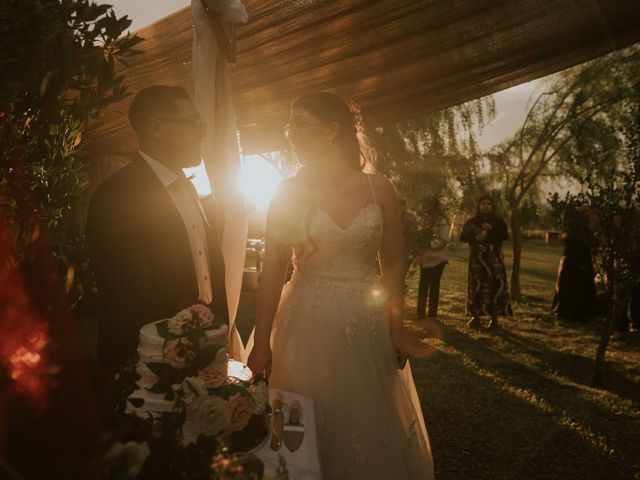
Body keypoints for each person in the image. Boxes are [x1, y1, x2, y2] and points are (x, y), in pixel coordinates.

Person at [247, 92, 434, 479]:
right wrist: (261, 341)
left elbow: (394, 263)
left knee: (365, 419)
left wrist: (397, 328)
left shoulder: (378, 188)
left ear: (331, 130)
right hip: (302, 324)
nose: (290, 133)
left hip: (365, 326)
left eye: (300, 123)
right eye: (289, 124)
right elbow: (273, 268)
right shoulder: (287, 192)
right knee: (296, 426)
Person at [86, 85, 228, 372]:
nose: (202, 132)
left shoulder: (189, 190)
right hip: (152, 363)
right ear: (156, 129)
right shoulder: (117, 194)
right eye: (193, 124)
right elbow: (122, 292)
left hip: (205, 348)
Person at [460, 196, 512, 329]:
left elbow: (505, 236)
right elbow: (462, 237)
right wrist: (475, 237)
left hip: (494, 260)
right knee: (476, 286)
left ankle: (494, 320)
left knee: (496, 286)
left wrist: (491, 229)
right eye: (483, 203)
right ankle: (475, 317)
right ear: (479, 206)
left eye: (489, 204)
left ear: (492, 207)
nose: (486, 206)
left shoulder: (498, 221)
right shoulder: (472, 222)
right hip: (477, 261)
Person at [551, 205, 598, 323]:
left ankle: (577, 313)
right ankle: (573, 313)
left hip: (576, 262)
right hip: (575, 263)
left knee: (577, 287)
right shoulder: (577, 231)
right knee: (574, 286)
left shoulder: (576, 230)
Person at [416, 198, 450, 320]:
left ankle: (432, 315)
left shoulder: (442, 221)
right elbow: (419, 235)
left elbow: (444, 240)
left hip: (438, 259)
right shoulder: (424, 221)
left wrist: (429, 244)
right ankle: (420, 313)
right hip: (425, 258)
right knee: (423, 285)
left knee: (434, 286)